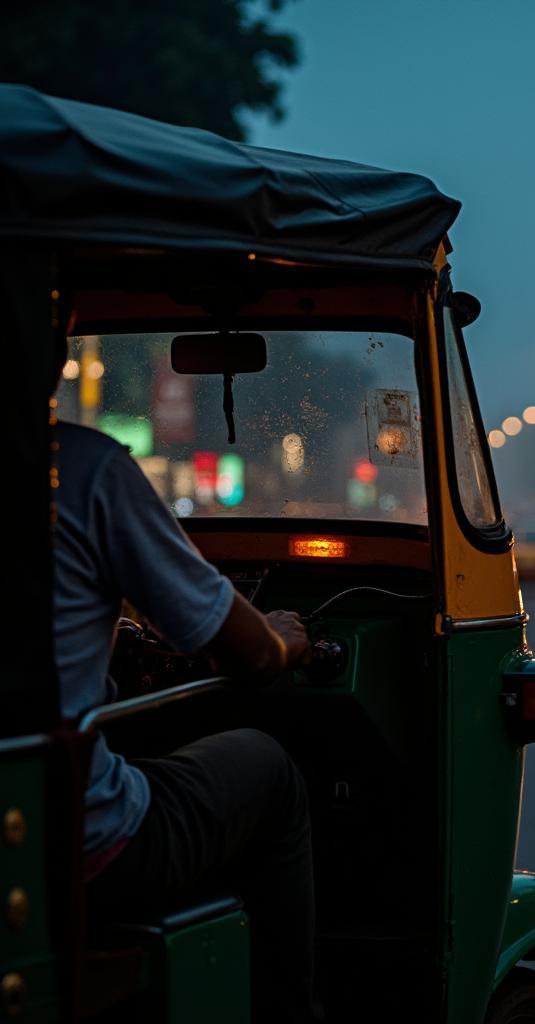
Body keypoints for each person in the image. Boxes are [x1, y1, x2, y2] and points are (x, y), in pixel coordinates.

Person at [51, 339, 320, 1023]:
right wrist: (283, 640)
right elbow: (249, 654)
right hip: (78, 847)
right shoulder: (84, 471)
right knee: (269, 768)